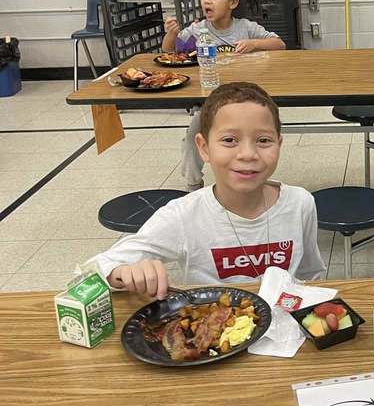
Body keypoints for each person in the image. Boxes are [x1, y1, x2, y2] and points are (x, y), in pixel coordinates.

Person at [85, 82, 324, 298]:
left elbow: (310, 274)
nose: (248, 154)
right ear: (204, 147)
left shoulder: (299, 203)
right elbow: (93, 270)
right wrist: (120, 272)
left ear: (279, 145)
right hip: (213, 335)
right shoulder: (184, 215)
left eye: (263, 140)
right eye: (229, 140)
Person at [162, 0, 286, 192]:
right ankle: (193, 187)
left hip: (246, 101)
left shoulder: (245, 27)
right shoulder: (198, 30)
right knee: (193, 137)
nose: (207, 1)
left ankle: (255, 181)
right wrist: (171, 34)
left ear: (233, 2)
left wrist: (254, 44)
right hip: (211, 102)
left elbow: (279, 44)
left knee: (255, 138)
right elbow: (170, 51)